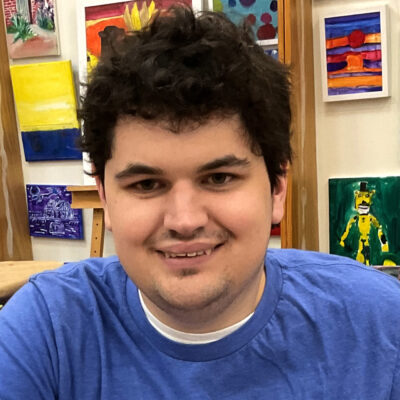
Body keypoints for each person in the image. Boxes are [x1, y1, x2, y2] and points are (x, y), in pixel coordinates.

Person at [0, 6, 399, 399]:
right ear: (104, 196)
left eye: (219, 178)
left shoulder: (379, 325)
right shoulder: (45, 331)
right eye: (146, 184)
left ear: (277, 187)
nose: (185, 220)